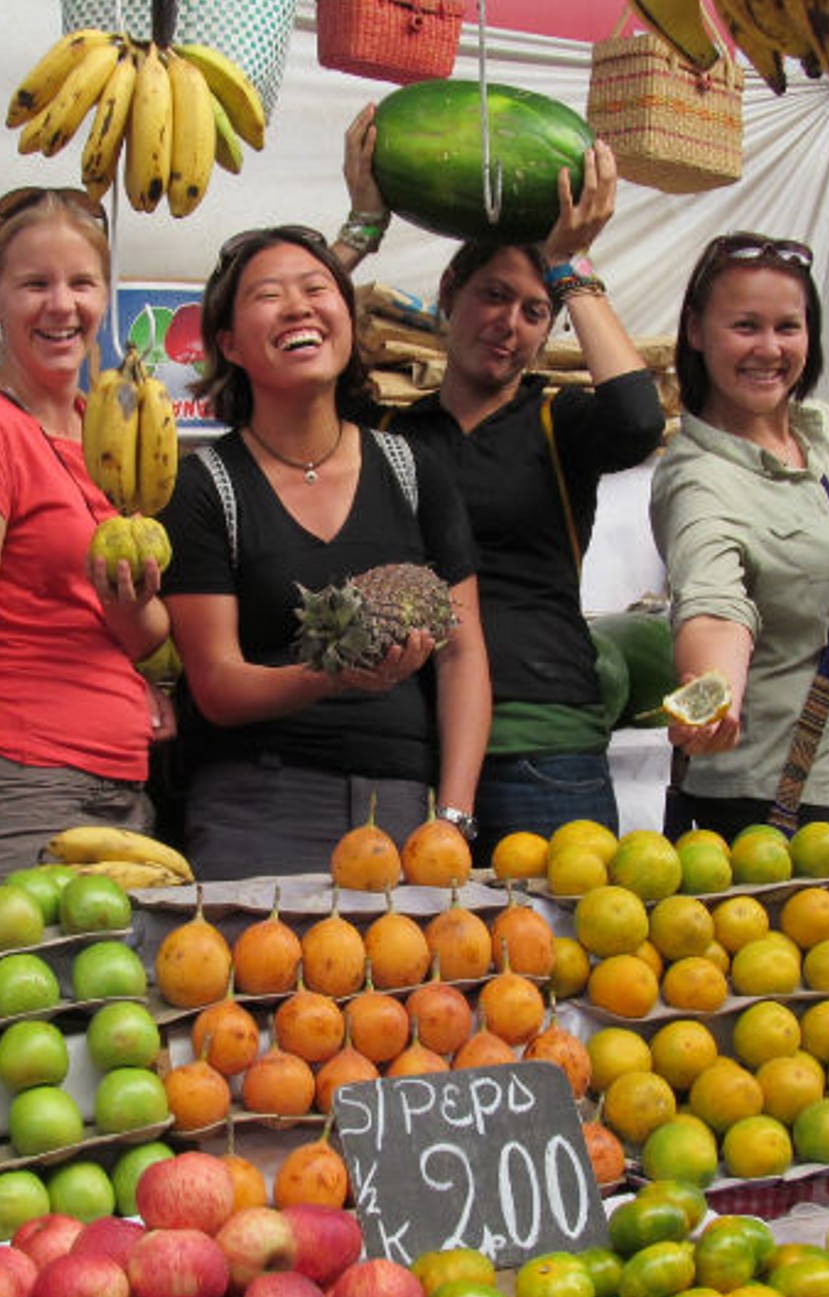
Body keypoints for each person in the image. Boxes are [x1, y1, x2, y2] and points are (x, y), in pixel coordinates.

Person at [335, 109, 666, 863]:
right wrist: (360, 228)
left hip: (544, 748)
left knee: (556, 970)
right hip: (407, 740)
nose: (509, 323)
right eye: (492, 295)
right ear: (450, 293)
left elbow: (640, 420)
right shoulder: (386, 430)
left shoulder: (560, 421)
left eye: (532, 311)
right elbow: (278, 359)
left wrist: (571, 267)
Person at [158, 225, 491, 880]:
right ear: (228, 343)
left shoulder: (413, 470)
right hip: (255, 808)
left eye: (318, 288)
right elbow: (217, 684)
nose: (300, 306)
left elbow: (464, 653)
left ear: (345, 317)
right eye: (268, 295)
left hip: (399, 804)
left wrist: (451, 817)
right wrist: (331, 675)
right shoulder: (203, 488)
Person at [650, 231, 829, 839]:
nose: (770, 348)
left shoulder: (826, 431)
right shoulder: (699, 480)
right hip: (787, 813)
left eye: (788, 327)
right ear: (695, 331)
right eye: (745, 326)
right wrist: (713, 695)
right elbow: (714, 606)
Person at [0, 186, 173, 875]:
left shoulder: (111, 441)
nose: (61, 305)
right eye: (33, 284)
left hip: (122, 781)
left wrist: (127, 602)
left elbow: (142, 633)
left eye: (81, 282)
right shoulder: (6, 434)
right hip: (27, 776)